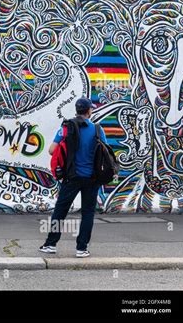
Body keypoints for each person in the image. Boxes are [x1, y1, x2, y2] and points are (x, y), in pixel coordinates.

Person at [39, 97, 110, 258]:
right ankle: (81, 248)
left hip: (71, 177)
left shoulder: (66, 127)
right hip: (92, 178)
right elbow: (105, 152)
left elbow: (51, 150)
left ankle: (50, 244)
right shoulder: (98, 130)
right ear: (88, 111)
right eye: (91, 109)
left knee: (60, 210)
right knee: (87, 213)